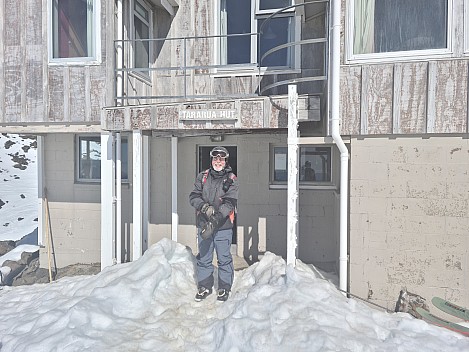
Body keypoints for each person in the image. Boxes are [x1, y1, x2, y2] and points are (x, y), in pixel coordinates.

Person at [189, 146, 239, 302]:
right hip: (204, 223)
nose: (218, 161)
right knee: (204, 257)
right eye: (215, 158)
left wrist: (216, 216)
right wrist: (204, 207)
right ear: (211, 160)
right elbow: (194, 196)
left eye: (221, 159)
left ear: (225, 161)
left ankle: (224, 288)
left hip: (223, 226)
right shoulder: (202, 177)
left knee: (224, 258)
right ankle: (204, 286)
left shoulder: (231, 178)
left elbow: (230, 201)